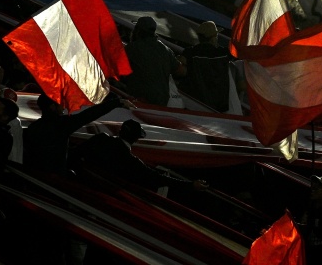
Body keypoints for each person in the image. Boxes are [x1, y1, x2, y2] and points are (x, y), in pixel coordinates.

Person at [71, 119, 207, 193]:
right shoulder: (129, 161)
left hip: (73, 181)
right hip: (98, 194)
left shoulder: (100, 139)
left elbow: (75, 152)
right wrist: (190, 185)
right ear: (136, 139)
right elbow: (156, 177)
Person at [23, 91, 129, 176]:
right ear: (52, 107)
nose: (64, 106)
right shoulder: (61, 125)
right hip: (55, 179)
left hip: (36, 176)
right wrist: (116, 103)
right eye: (60, 103)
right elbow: (88, 115)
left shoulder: (33, 127)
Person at [179, 21, 244, 113]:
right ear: (214, 38)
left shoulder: (190, 53)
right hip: (219, 104)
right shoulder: (223, 53)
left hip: (196, 101)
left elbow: (180, 64)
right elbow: (240, 50)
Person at [122, 17, 183, 106]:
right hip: (162, 102)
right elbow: (180, 71)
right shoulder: (166, 50)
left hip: (139, 100)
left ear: (138, 31)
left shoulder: (131, 48)